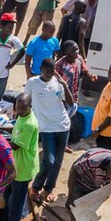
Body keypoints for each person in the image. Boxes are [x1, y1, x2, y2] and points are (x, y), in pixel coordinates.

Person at [26, 58, 74, 204]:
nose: (50, 74)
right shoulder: (33, 83)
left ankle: (49, 188)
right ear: (41, 69)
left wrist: (65, 85)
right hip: (46, 128)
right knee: (49, 160)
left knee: (58, 161)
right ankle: (35, 187)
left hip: (63, 125)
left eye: (52, 72)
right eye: (47, 71)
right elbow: (26, 101)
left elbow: (70, 103)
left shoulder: (58, 83)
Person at [2, 93, 39, 221]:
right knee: (8, 195)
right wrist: (1, 128)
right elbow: (16, 129)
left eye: (23, 109)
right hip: (15, 166)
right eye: (17, 108)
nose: (19, 111)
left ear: (30, 107)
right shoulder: (22, 117)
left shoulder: (30, 124)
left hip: (22, 170)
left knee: (15, 204)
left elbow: (15, 146)